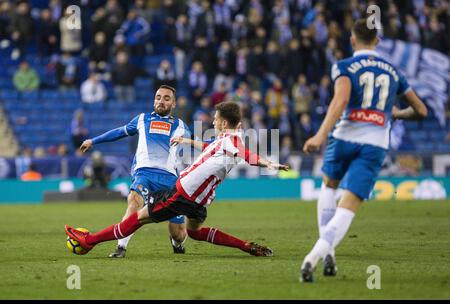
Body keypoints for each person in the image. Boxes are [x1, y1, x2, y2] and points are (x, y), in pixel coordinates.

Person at [66, 101, 289, 256]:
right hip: (201, 200)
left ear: (223, 123)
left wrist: (269, 164)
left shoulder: (232, 142)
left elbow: (247, 155)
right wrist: (187, 142)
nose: (212, 122)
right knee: (193, 232)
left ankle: (89, 241)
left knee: (136, 219)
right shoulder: (228, 139)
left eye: (215, 119)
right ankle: (245, 246)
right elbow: (212, 147)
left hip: (182, 193)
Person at [299, 19, 428, 282]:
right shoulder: (393, 71)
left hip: (344, 136)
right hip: (375, 143)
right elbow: (421, 110)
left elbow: (341, 99)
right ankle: (313, 258)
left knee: (328, 186)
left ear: (352, 40)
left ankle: (328, 253)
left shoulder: (344, 66)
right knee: (349, 205)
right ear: (377, 41)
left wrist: (321, 134)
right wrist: (397, 114)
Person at [79, 85, 190, 257]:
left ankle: (177, 243)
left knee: (178, 232)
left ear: (174, 104)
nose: (161, 101)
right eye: (158, 97)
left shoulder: (181, 126)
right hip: (144, 174)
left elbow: (192, 150)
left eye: (166, 98)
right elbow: (119, 132)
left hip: (169, 180)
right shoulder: (141, 119)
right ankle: (121, 248)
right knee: (134, 201)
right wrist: (93, 141)